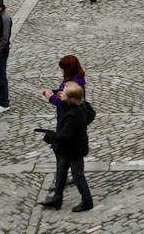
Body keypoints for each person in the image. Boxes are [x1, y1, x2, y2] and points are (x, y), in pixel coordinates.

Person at [40, 82, 96, 212]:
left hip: (74, 149)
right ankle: (56, 200)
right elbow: (91, 114)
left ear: (70, 98)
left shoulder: (73, 115)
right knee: (61, 173)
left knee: (78, 176)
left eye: (63, 92)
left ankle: (87, 202)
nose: (61, 92)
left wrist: (50, 137)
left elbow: (64, 135)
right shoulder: (82, 105)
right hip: (68, 148)